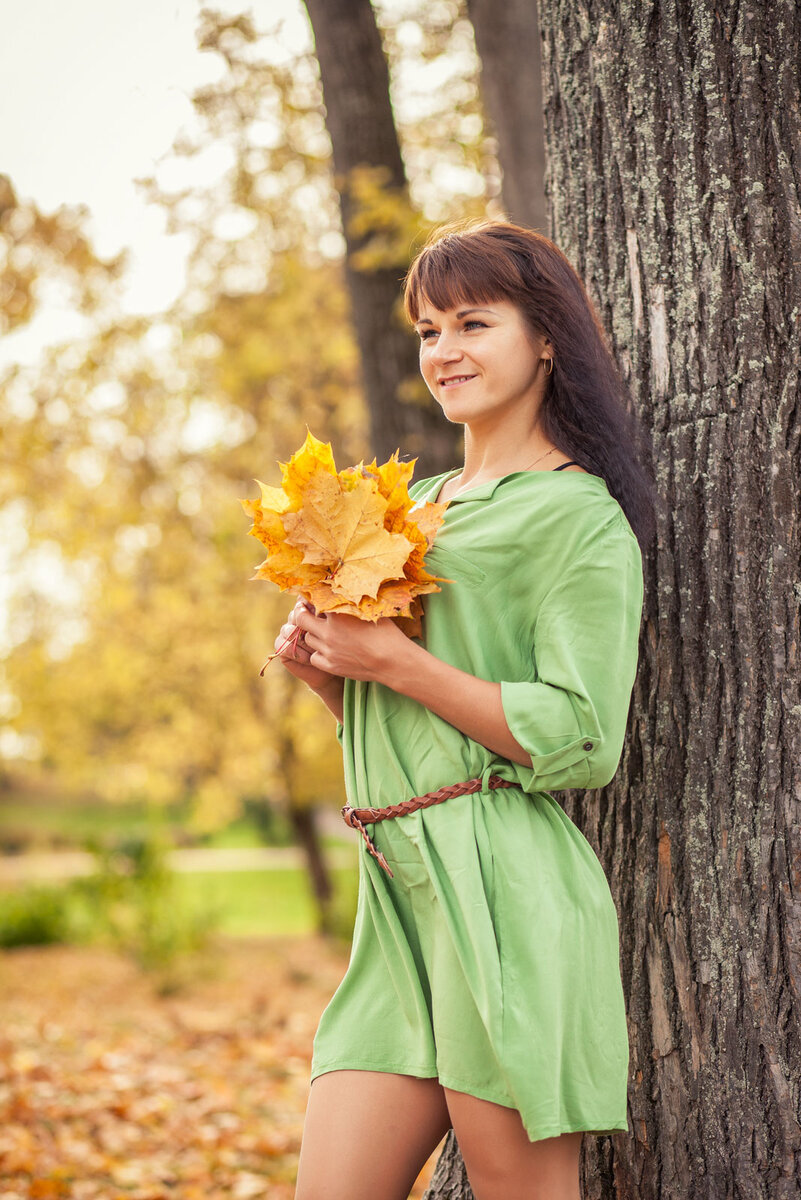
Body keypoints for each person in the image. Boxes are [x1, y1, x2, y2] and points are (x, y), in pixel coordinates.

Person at [273, 220, 656, 1200]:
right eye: (429, 329)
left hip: (505, 896)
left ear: (545, 340)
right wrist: (334, 678)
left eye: (473, 323)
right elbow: (417, 715)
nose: (444, 351)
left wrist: (394, 665)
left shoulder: (578, 517)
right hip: (397, 891)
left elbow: (580, 733)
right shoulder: (419, 506)